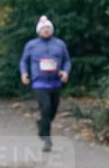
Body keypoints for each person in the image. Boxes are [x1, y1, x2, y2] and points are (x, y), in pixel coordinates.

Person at [19, 16, 71, 152]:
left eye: (48, 28)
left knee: (51, 112)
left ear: (52, 30)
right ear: (38, 31)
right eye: (43, 28)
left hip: (55, 82)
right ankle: (47, 139)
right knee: (46, 107)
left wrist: (65, 72)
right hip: (39, 83)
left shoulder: (60, 44)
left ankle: (42, 125)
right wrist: (24, 73)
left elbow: (67, 61)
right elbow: (23, 61)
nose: (46, 30)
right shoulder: (31, 45)